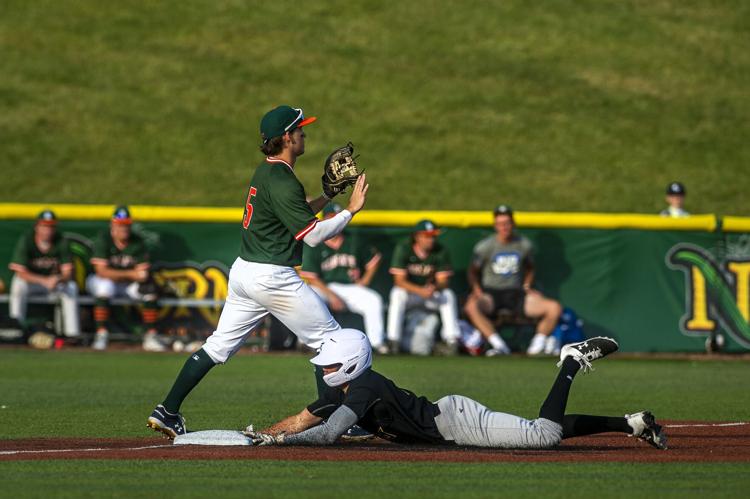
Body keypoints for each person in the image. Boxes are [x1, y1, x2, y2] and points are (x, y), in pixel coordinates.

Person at [147, 105, 369, 439]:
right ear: (286, 137)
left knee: (217, 346)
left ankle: (167, 410)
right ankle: (339, 421)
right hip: (272, 277)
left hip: (245, 273)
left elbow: (296, 216)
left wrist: (327, 195)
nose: (304, 134)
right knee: (330, 340)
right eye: (300, 130)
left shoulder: (267, 173)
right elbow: (312, 235)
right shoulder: (283, 181)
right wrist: (350, 210)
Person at [243, 328, 667, 451]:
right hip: (448, 420)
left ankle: (571, 360)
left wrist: (280, 445)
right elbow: (303, 420)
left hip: (456, 424)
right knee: (534, 428)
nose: (325, 370)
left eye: (331, 364)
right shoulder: (347, 387)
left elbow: (328, 434)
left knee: (544, 434)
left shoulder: (364, 386)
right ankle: (631, 425)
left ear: (352, 362)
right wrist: (268, 433)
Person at [464, 205, 562, 356]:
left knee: (554, 308)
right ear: (495, 226)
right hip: (492, 293)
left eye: (507, 223)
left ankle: (536, 346)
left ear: (513, 224)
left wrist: (527, 285)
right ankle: (498, 345)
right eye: (500, 224)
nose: (504, 227)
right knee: (471, 307)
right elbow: (472, 271)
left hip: (516, 293)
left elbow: (530, 267)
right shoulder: (485, 247)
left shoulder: (524, 245)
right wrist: (476, 289)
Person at [300, 203, 387, 354]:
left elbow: (374, 260)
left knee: (373, 300)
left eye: (337, 218)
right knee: (308, 295)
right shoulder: (315, 242)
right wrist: (332, 296)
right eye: (331, 218)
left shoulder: (353, 240)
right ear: (323, 221)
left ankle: (377, 343)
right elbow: (311, 277)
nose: (335, 222)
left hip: (350, 288)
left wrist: (365, 281)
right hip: (324, 288)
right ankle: (305, 343)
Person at [87, 205, 164, 351]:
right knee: (105, 287)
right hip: (100, 280)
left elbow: (143, 274)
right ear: (112, 225)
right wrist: (131, 274)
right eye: (120, 225)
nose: (124, 229)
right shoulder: (103, 239)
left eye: (126, 225)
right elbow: (101, 272)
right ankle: (101, 334)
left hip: (126, 284)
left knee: (149, 290)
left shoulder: (137, 241)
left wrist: (123, 274)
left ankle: (151, 336)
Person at [385, 220, 460, 354]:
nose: (431, 239)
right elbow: (399, 281)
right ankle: (393, 341)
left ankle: (451, 341)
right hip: (412, 294)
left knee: (447, 295)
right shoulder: (404, 248)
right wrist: (420, 290)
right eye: (427, 236)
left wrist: (435, 287)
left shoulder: (440, 250)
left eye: (433, 236)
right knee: (396, 294)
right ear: (417, 236)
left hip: (430, 294)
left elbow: (443, 281)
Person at [8, 209, 80, 338]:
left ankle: (72, 334)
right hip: (33, 283)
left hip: (54, 283)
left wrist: (58, 279)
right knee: (18, 285)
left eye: (51, 227)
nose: (48, 230)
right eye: (44, 226)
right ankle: (16, 330)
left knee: (71, 287)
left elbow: (68, 272)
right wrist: (43, 280)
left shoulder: (61, 240)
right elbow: (20, 272)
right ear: (37, 227)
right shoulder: (27, 239)